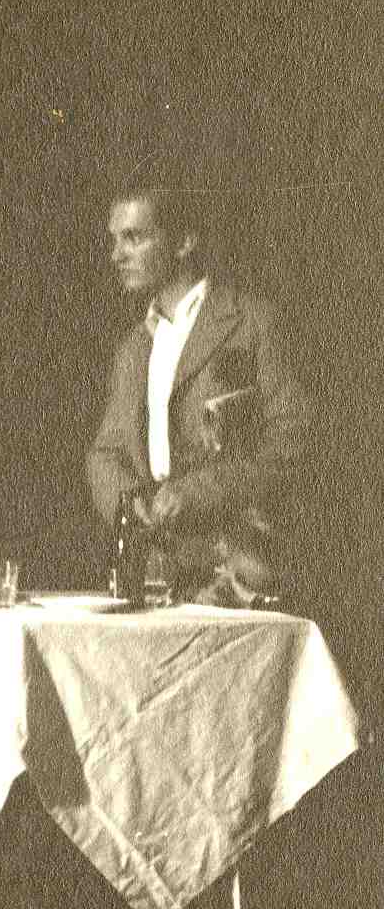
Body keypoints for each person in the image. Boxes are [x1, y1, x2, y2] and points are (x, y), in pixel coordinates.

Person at [83, 181, 306, 606]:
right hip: (156, 575)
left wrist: (197, 492)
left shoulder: (253, 322)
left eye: (134, 238)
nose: (116, 255)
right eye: (114, 239)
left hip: (237, 576)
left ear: (184, 241)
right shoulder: (132, 347)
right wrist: (129, 503)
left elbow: (293, 441)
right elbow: (104, 453)